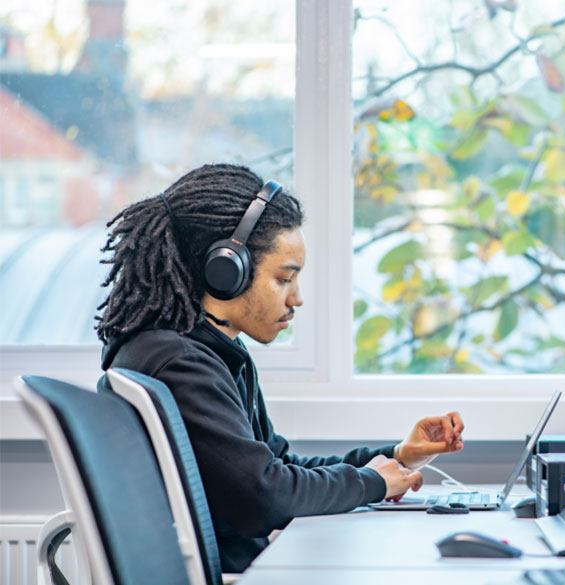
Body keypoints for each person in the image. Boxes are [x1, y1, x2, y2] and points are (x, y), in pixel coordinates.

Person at [96, 163, 464, 572]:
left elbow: (278, 470)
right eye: (284, 279)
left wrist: (394, 457)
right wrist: (373, 483)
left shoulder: (213, 354)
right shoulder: (179, 365)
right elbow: (266, 497)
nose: (297, 299)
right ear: (226, 270)